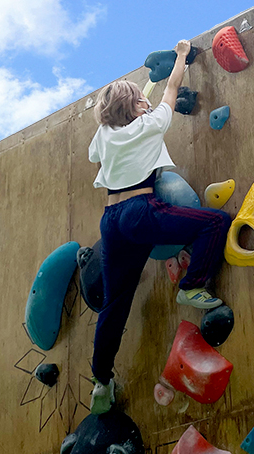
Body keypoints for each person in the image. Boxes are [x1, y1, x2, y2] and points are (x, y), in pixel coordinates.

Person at [87, 40, 230, 414]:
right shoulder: (149, 125)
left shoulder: (103, 136)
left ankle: (101, 380)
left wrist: (134, 97)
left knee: (115, 306)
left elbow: (98, 148)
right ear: (134, 108)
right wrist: (181, 55)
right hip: (140, 210)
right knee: (215, 223)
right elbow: (170, 89)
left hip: (111, 222)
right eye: (139, 102)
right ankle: (192, 286)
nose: (145, 104)